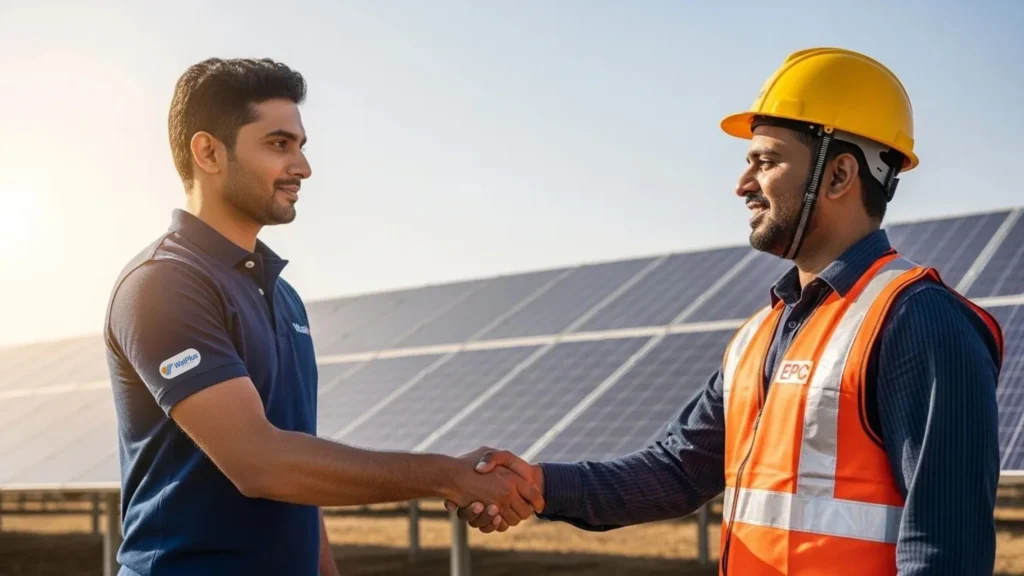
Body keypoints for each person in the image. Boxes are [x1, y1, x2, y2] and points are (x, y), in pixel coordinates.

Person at [450, 47, 1005, 575]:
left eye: (765, 162)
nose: (743, 185)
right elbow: (675, 470)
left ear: (839, 176)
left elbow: (944, 548)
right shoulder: (763, 333)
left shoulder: (919, 321)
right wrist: (539, 483)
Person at [103, 57, 543, 576]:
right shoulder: (163, 285)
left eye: (301, 146)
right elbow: (260, 463)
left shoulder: (284, 297)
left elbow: (298, 470)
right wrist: (448, 475)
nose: (303, 168)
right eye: (278, 144)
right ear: (208, 153)